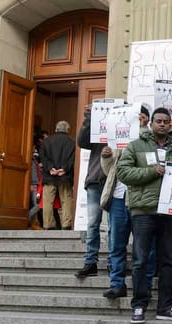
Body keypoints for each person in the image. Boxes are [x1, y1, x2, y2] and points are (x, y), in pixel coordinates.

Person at [116, 107, 172, 324]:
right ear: (151, 123)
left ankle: (165, 307)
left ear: (170, 124)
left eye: (166, 121)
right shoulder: (135, 145)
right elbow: (122, 172)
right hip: (143, 212)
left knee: (168, 260)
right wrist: (150, 171)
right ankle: (139, 306)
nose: (163, 124)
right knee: (140, 261)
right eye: (159, 121)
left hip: (170, 211)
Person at [100, 106, 155, 299]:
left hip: (140, 198)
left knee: (144, 245)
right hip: (117, 196)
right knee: (117, 243)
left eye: (141, 116)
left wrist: (141, 128)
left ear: (147, 119)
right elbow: (109, 171)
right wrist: (106, 157)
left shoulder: (150, 138)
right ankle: (117, 283)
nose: (137, 119)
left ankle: (144, 285)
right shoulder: (118, 139)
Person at [75, 105, 108, 278]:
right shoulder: (97, 129)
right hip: (96, 180)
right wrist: (88, 117)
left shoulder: (126, 131)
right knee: (93, 223)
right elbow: (81, 142)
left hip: (117, 182)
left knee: (115, 225)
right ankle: (90, 261)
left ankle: (113, 261)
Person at [39, 121, 75, 230]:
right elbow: (73, 158)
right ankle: (66, 224)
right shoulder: (72, 142)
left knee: (47, 201)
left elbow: (43, 156)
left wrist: (50, 168)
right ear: (67, 130)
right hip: (65, 176)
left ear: (56, 129)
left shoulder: (47, 141)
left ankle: (48, 224)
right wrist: (64, 169)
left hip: (50, 176)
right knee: (66, 200)